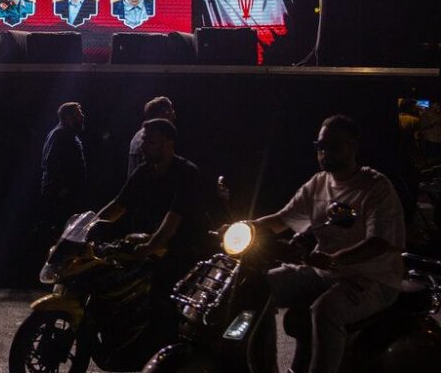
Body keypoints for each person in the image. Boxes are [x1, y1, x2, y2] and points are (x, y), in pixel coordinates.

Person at [251, 115, 405, 373]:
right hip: (323, 271)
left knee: (326, 311)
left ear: (354, 147)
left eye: (334, 146)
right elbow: (282, 219)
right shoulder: (318, 184)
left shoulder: (375, 186)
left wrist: (335, 259)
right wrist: (244, 227)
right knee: (259, 285)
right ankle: (263, 364)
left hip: (373, 278)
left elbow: (379, 242)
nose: (325, 153)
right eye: (320, 146)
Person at [95, 118, 214, 342]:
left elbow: (172, 221)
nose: (143, 146)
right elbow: (119, 205)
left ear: (168, 144)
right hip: (156, 246)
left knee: (162, 303)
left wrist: (148, 247)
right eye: (144, 141)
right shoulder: (144, 171)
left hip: (186, 249)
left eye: (150, 142)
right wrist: (89, 227)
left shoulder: (186, 173)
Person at [40, 102, 88, 233]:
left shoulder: (68, 134)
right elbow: (51, 163)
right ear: (69, 117)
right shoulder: (60, 135)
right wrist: (62, 189)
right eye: (79, 114)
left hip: (65, 194)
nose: (82, 116)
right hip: (60, 196)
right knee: (60, 230)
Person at [128, 96, 176, 176]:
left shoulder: (139, 136)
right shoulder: (149, 139)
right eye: (172, 113)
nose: (174, 117)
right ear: (164, 114)